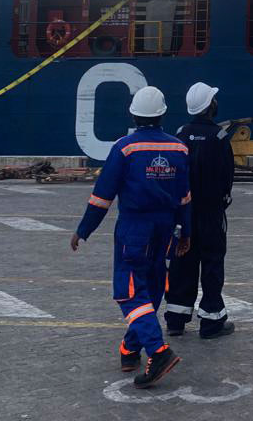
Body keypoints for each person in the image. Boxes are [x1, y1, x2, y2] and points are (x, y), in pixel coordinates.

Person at [70, 86, 191, 389]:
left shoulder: (124, 148)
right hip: (166, 227)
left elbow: (102, 196)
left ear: (133, 115)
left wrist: (84, 229)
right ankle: (130, 349)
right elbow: (185, 197)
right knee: (152, 287)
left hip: (135, 227)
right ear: (162, 114)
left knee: (129, 292)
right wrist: (186, 232)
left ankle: (158, 352)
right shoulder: (179, 149)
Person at [164, 82, 235, 339]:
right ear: (210, 106)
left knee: (181, 262)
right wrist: (222, 201)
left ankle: (175, 320)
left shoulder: (180, 134)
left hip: (183, 212)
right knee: (212, 263)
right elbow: (227, 176)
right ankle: (211, 321)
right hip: (211, 213)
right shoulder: (220, 137)